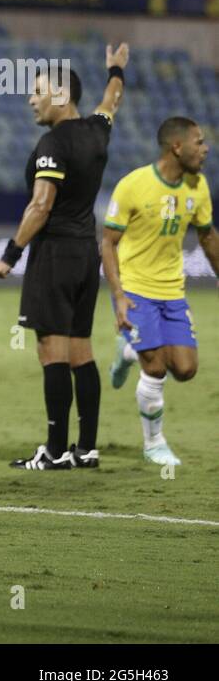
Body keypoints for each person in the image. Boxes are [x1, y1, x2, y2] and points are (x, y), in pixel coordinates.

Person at [0, 44, 130, 470]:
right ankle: (85, 448)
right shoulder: (97, 131)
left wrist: (11, 254)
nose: (31, 98)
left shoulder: (51, 143)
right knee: (81, 352)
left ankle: (53, 451)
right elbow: (112, 101)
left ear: (61, 95)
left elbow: (40, 207)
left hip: (54, 257)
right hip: (86, 256)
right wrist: (116, 69)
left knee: (51, 352)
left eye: (38, 90)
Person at [102, 116, 217, 466]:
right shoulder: (133, 185)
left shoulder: (197, 187)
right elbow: (108, 244)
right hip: (136, 290)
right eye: (199, 142)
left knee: (184, 369)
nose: (206, 148)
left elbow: (208, 237)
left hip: (172, 291)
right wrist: (119, 297)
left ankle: (128, 351)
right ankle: (154, 443)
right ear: (176, 147)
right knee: (156, 369)